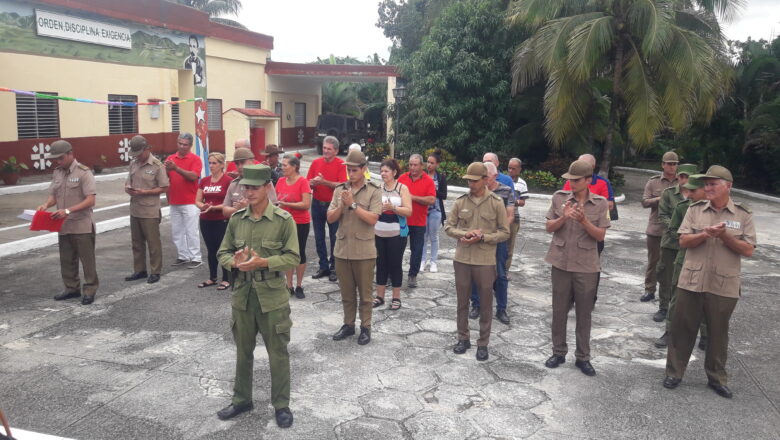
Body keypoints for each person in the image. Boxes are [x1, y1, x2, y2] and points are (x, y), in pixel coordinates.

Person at [215, 164, 299, 427]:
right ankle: (242, 399)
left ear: (267, 187)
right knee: (243, 351)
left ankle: (282, 405)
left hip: (272, 296)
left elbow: (293, 256)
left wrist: (263, 262)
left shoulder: (283, 220)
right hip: (243, 295)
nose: (248, 192)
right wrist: (235, 263)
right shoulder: (237, 220)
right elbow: (223, 253)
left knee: (277, 352)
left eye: (254, 187)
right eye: (246, 187)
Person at [664, 165, 756, 399]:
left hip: (723, 284)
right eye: (706, 184)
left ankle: (716, 378)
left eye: (713, 183)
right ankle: (675, 373)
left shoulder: (742, 214)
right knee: (682, 328)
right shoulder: (695, 210)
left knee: (718, 333)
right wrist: (706, 234)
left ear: (728, 186)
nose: (708, 187)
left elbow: (748, 250)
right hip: (692, 280)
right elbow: (683, 241)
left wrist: (724, 235)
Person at [543, 159, 610, 376]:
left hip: (586, 266)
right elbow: (548, 227)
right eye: (569, 179)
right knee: (559, 311)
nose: (571, 183)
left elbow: (600, 235)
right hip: (561, 262)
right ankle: (558, 351)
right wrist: (564, 216)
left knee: (584, 314)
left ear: (588, 180)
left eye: (576, 179)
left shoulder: (599, 203)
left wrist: (583, 221)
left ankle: (583, 357)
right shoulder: (559, 198)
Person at [444, 162, 509, 362]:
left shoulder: (496, 202)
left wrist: (483, 237)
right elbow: (448, 227)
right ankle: (463, 338)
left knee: (486, 303)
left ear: (485, 180)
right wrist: (465, 234)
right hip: (463, 258)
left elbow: (505, 232)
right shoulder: (461, 201)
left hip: (485, 260)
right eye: (469, 181)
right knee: (462, 301)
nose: (471, 184)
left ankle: (483, 343)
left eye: (474, 180)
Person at [328, 150, 382, 345]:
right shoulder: (339, 190)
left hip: (364, 252)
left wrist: (352, 205)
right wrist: (342, 206)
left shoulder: (374, 190)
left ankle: (365, 327)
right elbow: (330, 218)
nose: (351, 174)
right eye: (349, 170)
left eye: (355, 170)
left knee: (366, 295)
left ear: (364, 170)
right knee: (347, 293)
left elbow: (373, 219)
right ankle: (348, 325)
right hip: (342, 250)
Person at [36, 140, 99, 305]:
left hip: (81, 224)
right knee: (67, 259)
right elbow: (54, 195)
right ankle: (71, 289)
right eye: (56, 159)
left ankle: (90, 290)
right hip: (63, 225)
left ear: (71, 154)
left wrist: (68, 210)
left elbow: (91, 200)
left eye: (61, 158)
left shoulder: (84, 173)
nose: (58, 161)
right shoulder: (57, 172)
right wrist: (46, 205)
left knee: (87, 261)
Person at [654, 174, 708, 349]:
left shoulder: (718, 211)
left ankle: (706, 335)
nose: (689, 194)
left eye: (693, 190)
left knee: (706, 297)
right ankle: (670, 331)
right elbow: (674, 230)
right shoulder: (683, 207)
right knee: (677, 296)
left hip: (707, 260)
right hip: (683, 255)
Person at [469, 162, 515, 325]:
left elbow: (510, 216)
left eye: (486, 177)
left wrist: (495, 232)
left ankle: (501, 308)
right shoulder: (475, 191)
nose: (483, 180)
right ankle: (476, 305)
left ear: (495, 176)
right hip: (477, 237)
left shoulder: (506, 190)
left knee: (500, 274)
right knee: (475, 273)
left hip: (497, 239)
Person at [654, 163, 698, 322]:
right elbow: (663, 215)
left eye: (687, 177)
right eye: (681, 176)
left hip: (691, 246)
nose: (683, 180)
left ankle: (681, 310)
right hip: (670, 242)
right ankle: (664, 307)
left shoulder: (700, 196)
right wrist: (680, 230)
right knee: (665, 276)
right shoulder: (669, 193)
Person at [124, 135, 169, 285]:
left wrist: (145, 192)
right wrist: (128, 188)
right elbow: (128, 181)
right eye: (135, 153)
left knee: (153, 242)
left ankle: (155, 271)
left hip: (150, 210)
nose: (137, 156)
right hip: (135, 208)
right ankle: (140, 270)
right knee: (136, 242)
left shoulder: (157, 165)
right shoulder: (133, 164)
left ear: (147, 149)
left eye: (139, 153)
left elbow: (164, 187)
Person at [372, 159, 412, 310]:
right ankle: (380, 296)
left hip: (397, 233)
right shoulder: (377, 188)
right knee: (380, 264)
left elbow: (409, 211)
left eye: (386, 171)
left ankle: (396, 297)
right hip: (378, 232)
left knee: (395, 264)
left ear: (394, 172)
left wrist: (393, 207)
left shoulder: (402, 188)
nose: (383, 174)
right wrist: (378, 209)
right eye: (381, 171)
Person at [640, 151, 679, 302]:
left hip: (674, 230)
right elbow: (644, 202)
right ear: (663, 165)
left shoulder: (681, 182)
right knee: (653, 261)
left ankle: (669, 293)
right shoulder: (653, 182)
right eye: (669, 163)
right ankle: (649, 290)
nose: (672, 167)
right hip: (656, 228)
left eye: (674, 164)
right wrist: (660, 199)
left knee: (671, 264)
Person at [307, 136, 347, 282]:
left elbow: (342, 185)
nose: (325, 151)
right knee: (318, 237)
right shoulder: (315, 162)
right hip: (317, 204)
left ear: (336, 151)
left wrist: (324, 182)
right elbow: (308, 182)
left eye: (329, 149)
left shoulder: (341, 164)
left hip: (333, 205)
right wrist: (312, 183)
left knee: (334, 237)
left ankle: (334, 267)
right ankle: (323, 266)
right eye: (324, 148)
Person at [275, 154, 312, 299]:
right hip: (284, 222)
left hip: (300, 222)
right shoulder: (280, 181)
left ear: (294, 166)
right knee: (286, 253)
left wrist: (287, 204)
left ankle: (299, 285)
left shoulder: (303, 182)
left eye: (285, 165)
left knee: (299, 252)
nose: (282, 167)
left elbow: (306, 204)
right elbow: (275, 200)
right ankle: (289, 285)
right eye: (282, 165)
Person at [397, 154, 436, 288]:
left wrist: (412, 197)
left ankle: (412, 275)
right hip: (402, 220)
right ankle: (394, 274)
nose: (412, 167)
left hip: (419, 222)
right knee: (397, 249)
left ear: (421, 166)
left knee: (417, 250)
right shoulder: (402, 178)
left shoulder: (428, 180)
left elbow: (431, 200)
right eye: (410, 164)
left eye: (415, 165)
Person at [166, 132, 203, 269]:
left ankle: (196, 257)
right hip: (174, 200)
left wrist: (176, 168)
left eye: (185, 145)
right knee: (177, 231)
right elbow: (166, 177)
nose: (182, 147)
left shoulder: (195, 159)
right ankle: (183, 255)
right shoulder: (171, 158)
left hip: (190, 201)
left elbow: (193, 176)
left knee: (191, 231)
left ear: (190, 145)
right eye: (180, 144)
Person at [196, 152, 232, 290]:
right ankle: (212, 277)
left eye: (214, 163)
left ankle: (226, 278)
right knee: (211, 249)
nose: (211, 165)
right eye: (209, 162)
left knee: (223, 249)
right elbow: (197, 200)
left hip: (221, 219)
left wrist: (214, 207)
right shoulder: (204, 181)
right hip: (206, 219)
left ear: (222, 164)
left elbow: (229, 202)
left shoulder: (228, 181)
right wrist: (203, 206)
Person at [422, 150, 447, 273]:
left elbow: (444, 195)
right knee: (423, 236)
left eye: (432, 163)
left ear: (437, 164)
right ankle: (422, 260)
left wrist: (432, 190)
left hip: (435, 210)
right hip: (423, 210)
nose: (429, 165)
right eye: (428, 162)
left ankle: (433, 261)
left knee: (434, 237)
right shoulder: (422, 176)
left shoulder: (441, 177)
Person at [506, 158, 528, 271]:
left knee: (509, 247)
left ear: (519, 169)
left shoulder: (522, 183)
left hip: (513, 218)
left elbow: (523, 202)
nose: (510, 170)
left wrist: (514, 201)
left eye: (514, 168)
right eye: (509, 167)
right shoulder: (502, 180)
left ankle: (505, 270)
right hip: (499, 216)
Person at [222, 148, 256, 218]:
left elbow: (272, 208)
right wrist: (239, 209)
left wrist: (246, 208)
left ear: (252, 161)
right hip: (238, 226)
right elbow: (225, 210)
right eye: (237, 163)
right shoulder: (234, 184)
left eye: (243, 162)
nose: (240, 166)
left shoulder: (263, 182)